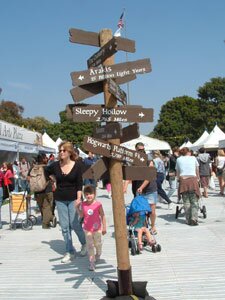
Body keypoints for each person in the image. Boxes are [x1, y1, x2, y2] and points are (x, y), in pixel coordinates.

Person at [45, 141, 87, 263]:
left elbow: (80, 183)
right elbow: (46, 171)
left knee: (75, 224)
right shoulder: (55, 165)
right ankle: (69, 251)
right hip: (60, 199)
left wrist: (79, 199)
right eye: (60, 151)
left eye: (64, 150)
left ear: (70, 152)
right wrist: (52, 179)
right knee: (64, 227)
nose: (61, 153)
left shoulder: (77, 165)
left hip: (74, 198)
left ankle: (84, 244)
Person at [124, 142, 158, 235]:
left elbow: (149, 175)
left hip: (150, 188)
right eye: (139, 150)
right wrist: (125, 187)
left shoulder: (149, 160)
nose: (141, 152)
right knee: (140, 211)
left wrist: (141, 187)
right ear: (135, 150)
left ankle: (153, 225)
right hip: (139, 189)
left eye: (143, 150)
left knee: (152, 211)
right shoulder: (133, 161)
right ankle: (142, 226)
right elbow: (129, 175)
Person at [75, 184, 106, 271]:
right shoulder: (83, 204)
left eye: (91, 194)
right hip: (87, 228)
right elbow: (81, 215)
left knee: (97, 244)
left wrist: (104, 227)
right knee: (90, 246)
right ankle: (92, 262)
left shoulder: (98, 205)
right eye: (87, 194)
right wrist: (77, 208)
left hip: (97, 229)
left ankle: (99, 253)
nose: (89, 196)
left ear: (95, 194)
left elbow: (103, 216)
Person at [29, 154, 56, 229]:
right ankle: (45, 223)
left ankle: (48, 218)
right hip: (47, 190)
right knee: (47, 206)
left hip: (37, 191)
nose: (47, 159)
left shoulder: (33, 168)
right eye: (46, 158)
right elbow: (53, 178)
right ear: (43, 159)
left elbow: (28, 178)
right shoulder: (47, 168)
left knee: (41, 206)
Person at [176, 147, 200, 226]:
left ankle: (188, 219)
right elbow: (197, 169)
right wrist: (198, 178)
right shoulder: (193, 158)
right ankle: (194, 218)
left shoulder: (178, 159)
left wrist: (179, 179)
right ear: (188, 152)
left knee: (186, 202)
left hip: (183, 180)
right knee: (194, 201)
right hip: (193, 180)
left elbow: (178, 172)